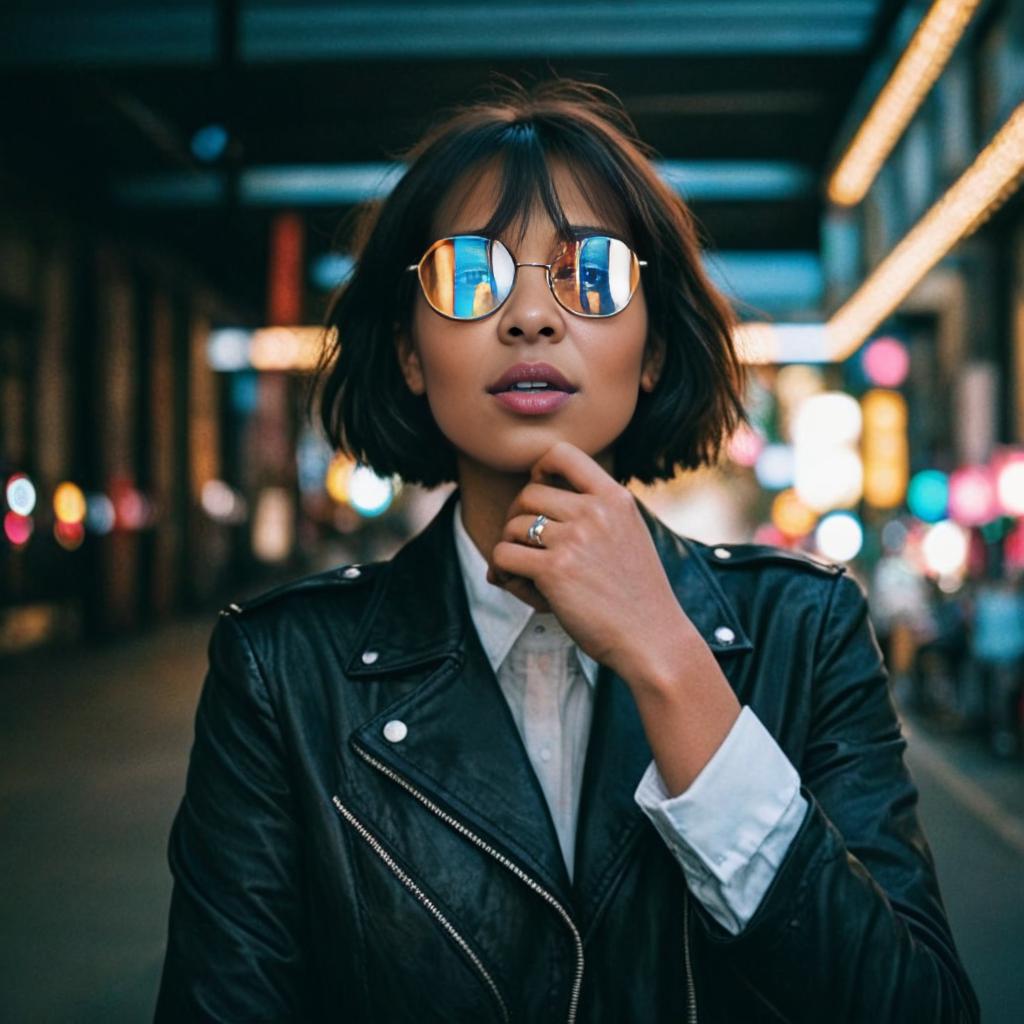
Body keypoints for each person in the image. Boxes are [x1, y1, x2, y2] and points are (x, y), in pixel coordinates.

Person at [154, 79, 979, 1022]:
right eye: (472, 276)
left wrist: (672, 661)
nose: (533, 318)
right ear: (411, 352)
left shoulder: (807, 628)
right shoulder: (283, 670)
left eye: (591, 276)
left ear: (655, 345)